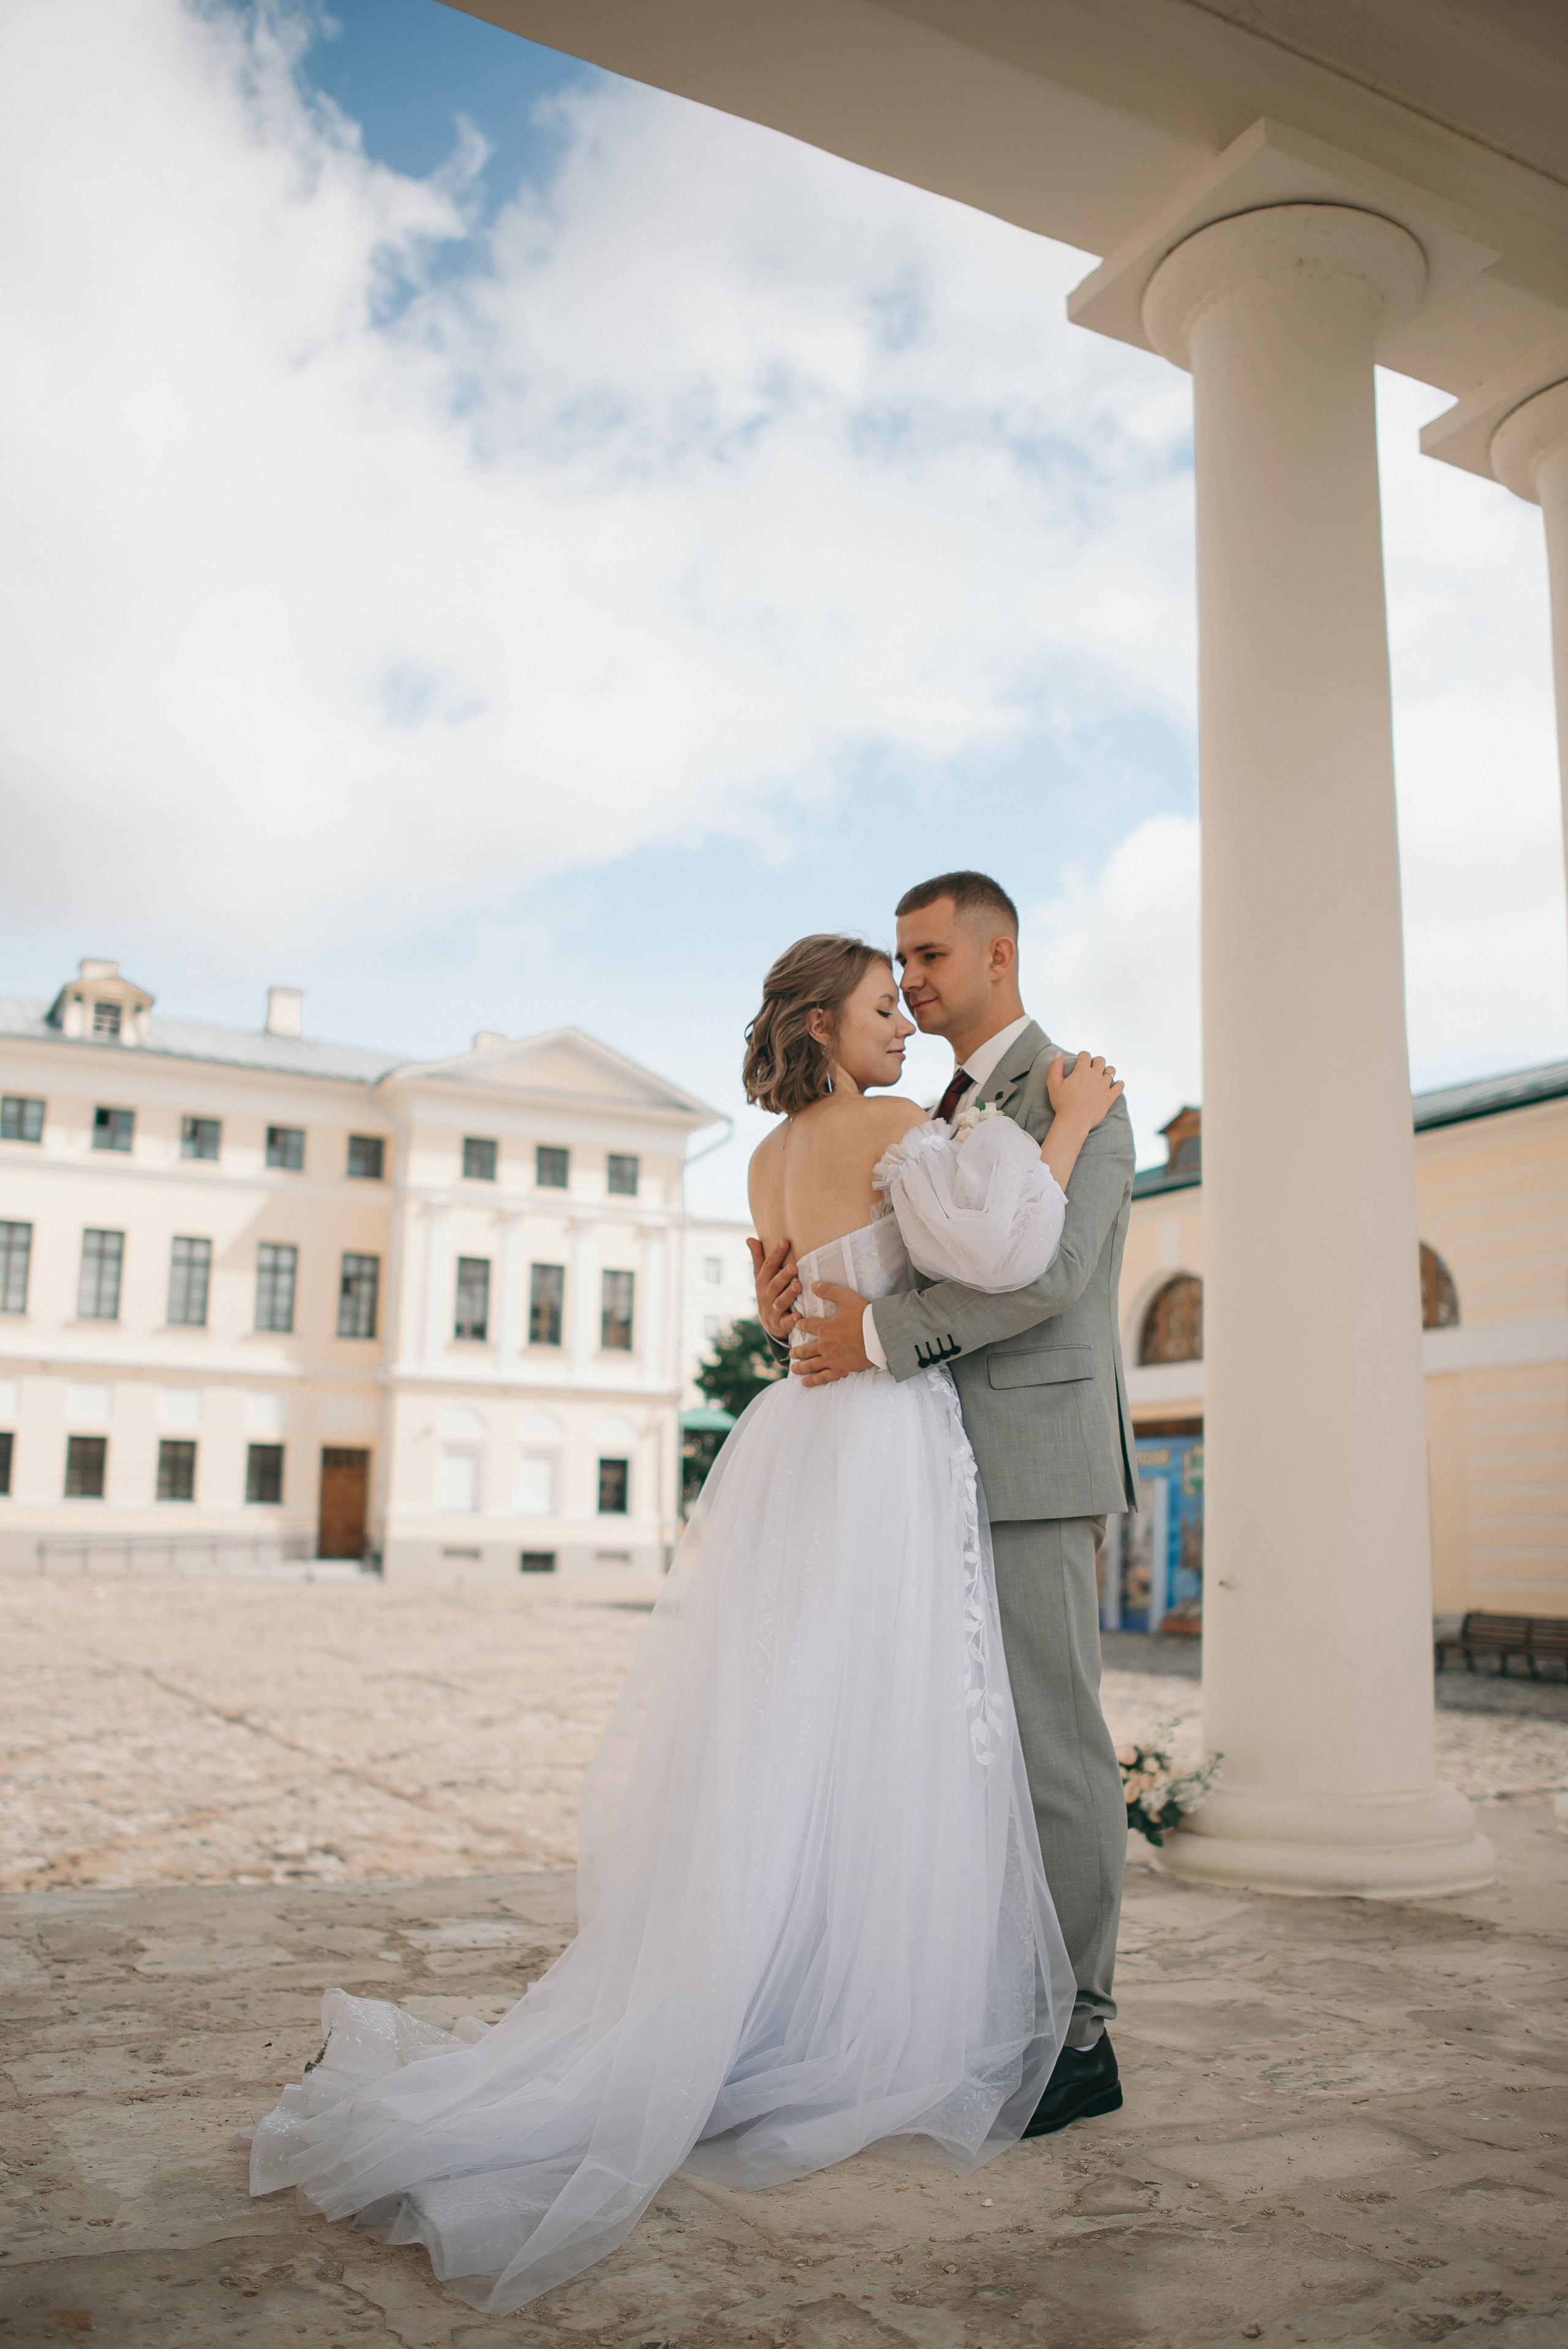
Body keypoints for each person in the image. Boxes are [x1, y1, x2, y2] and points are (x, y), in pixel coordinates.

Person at [247, 932, 1123, 2316]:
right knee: (880, 1717)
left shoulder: (768, 1159)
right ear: (825, 1028)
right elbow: (1012, 1248)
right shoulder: (895, 1123)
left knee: (783, 1719)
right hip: (879, 1438)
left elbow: (778, 1301)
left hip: (796, 1434)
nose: (902, 1025)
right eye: (882, 1006)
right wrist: (1064, 1125)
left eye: (905, 1002)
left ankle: (757, 1980)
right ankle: (847, 2011)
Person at [755, 872, 1138, 2136]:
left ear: (997, 954)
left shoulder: (1083, 1090)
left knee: (1046, 1747)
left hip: (1022, 1460)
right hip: (911, 1471)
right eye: (896, 968)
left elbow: (1053, 1274)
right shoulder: (921, 1110)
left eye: (926, 958)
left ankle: (1077, 2036)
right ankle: (970, 2001)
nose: (911, 986)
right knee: (936, 1755)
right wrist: (809, 1314)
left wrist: (873, 1335)